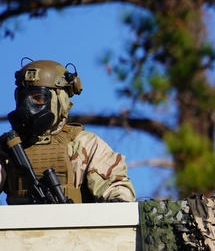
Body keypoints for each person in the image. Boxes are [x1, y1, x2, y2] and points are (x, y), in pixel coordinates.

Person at [0, 58, 136, 204]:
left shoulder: (83, 144)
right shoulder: (7, 149)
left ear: (60, 100)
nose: (27, 106)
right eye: (22, 98)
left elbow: (116, 186)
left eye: (38, 97)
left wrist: (117, 200)